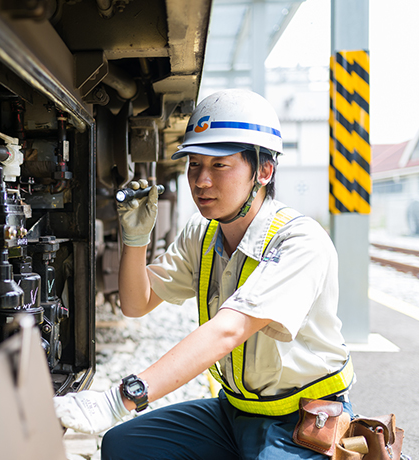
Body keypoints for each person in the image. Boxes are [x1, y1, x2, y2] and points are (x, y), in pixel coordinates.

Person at [53, 89, 355, 460]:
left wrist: (122, 398)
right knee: (124, 445)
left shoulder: (299, 241)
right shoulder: (204, 233)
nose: (201, 180)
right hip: (234, 412)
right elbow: (135, 303)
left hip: (301, 420)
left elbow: (228, 329)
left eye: (219, 165)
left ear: (263, 170)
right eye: (194, 164)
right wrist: (135, 239)